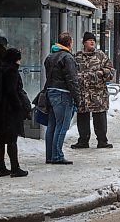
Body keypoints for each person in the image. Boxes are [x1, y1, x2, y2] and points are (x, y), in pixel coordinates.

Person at [0, 47, 31, 177]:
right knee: (11, 139)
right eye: (19, 58)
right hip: (8, 111)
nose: (20, 61)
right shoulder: (11, 71)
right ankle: (15, 168)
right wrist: (19, 107)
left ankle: (2, 168)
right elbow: (12, 92)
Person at [71, 32, 114, 149]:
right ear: (84, 43)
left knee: (100, 118)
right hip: (83, 94)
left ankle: (102, 141)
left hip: (98, 94)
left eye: (93, 40)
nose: (92, 42)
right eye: (89, 40)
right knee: (82, 118)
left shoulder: (101, 56)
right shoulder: (77, 57)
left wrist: (102, 72)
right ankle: (83, 141)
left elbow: (111, 71)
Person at [44, 32, 81, 164]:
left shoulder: (50, 57)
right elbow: (72, 79)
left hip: (51, 92)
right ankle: (57, 156)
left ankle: (50, 155)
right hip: (63, 94)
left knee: (52, 126)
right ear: (70, 43)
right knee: (62, 126)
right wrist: (78, 97)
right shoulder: (67, 58)